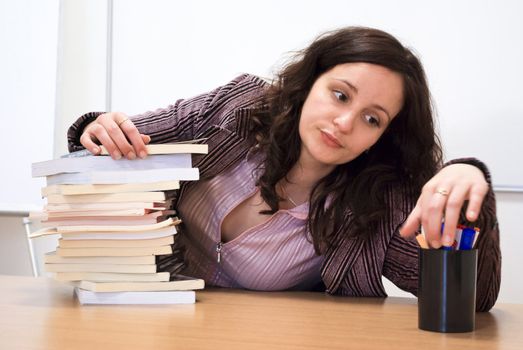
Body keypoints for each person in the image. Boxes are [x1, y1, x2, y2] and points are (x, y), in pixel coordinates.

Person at [67, 27, 500, 311]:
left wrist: (469, 175)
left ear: (384, 137)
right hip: (138, 318)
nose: (344, 123)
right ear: (311, 81)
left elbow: (471, 301)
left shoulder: (377, 207)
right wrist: (96, 127)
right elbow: (118, 144)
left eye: (373, 119)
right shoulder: (238, 108)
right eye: (340, 95)